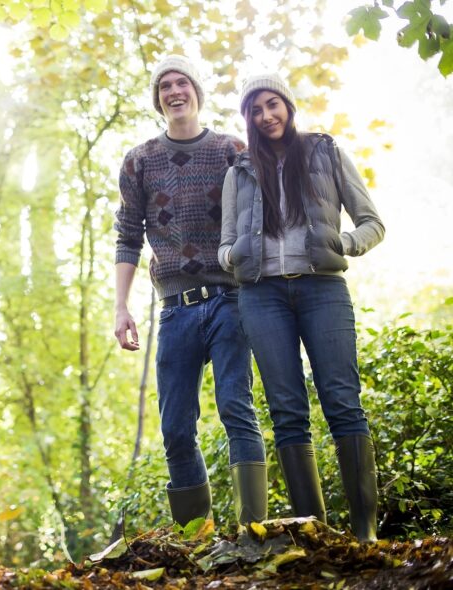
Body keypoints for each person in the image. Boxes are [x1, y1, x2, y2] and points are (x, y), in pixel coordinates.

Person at [218, 74, 385, 542]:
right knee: (287, 410)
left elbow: (372, 222)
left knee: (342, 401)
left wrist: (346, 242)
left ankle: (364, 531)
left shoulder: (325, 152)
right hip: (261, 296)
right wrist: (230, 257)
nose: (267, 116)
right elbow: (225, 242)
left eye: (273, 105)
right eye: (256, 110)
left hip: (322, 291)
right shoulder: (240, 170)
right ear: (248, 119)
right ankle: (316, 534)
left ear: (288, 106)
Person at [114, 55, 267, 528]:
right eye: (165, 87)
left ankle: (252, 531)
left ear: (197, 93)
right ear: (158, 100)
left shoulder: (230, 150)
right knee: (175, 426)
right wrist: (121, 307)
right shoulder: (139, 160)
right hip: (175, 310)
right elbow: (126, 235)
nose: (174, 91)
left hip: (230, 300)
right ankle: (196, 538)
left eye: (183, 83)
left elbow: (259, 217)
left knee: (235, 407)